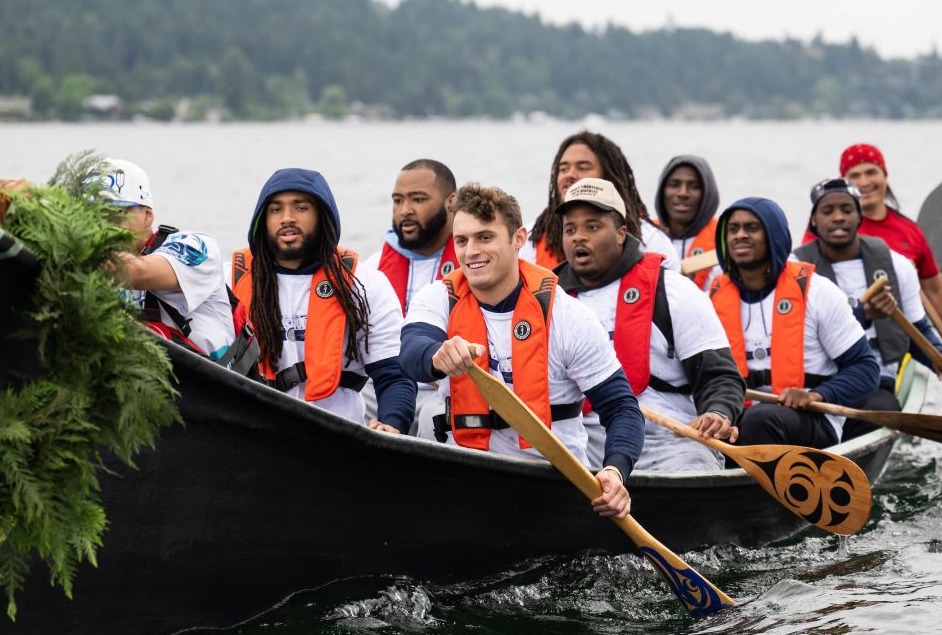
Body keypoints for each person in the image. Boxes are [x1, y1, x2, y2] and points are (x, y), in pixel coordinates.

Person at [400, 182, 644, 519]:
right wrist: (435, 356)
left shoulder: (569, 317)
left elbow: (621, 409)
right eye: (462, 240)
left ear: (518, 239)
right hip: (467, 473)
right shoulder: (439, 298)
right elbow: (412, 353)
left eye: (485, 237)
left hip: (549, 483)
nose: (471, 252)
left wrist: (615, 472)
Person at [554, 178, 745, 470]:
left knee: (695, 465)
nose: (579, 237)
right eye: (571, 229)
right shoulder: (548, 300)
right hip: (583, 438)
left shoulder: (671, 290)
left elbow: (720, 376)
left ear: (620, 234)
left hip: (668, 440)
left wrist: (718, 412)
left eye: (592, 227)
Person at [227, 167, 415, 433]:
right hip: (254, 434)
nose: (287, 218)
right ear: (262, 219)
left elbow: (394, 375)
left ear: (322, 216)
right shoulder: (229, 281)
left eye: (301, 208)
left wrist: (392, 424)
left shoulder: (364, 284)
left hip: (335, 438)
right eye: (276, 209)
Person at [793, 178, 942, 440]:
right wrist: (864, 315)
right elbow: (792, 335)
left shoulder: (897, 265)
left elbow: (917, 330)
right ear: (813, 221)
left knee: (881, 409)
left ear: (860, 217)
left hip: (873, 384)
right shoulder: (795, 269)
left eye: (847, 210)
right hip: (815, 383)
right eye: (827, 211)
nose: (838, 218)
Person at [706, 197, 879, 448]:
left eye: (751, 228)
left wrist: (815, 395)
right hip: (738, 417)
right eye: (733, 229)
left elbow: (865, 369)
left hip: (813, 419)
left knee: (758, 421)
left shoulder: (817, 292)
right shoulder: (711, 299)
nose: (740, 235)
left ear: (773, 235)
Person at [801, 143, 942, 386]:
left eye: (871, 172)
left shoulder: (910, 232)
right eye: (855, 175)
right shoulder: (830, 232)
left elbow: (935, 291)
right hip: (832, 344)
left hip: (894, 337)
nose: (864, 181)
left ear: (885, 176)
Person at [87, 158, 236, 360]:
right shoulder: (94, 269)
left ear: (147, 215)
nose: (102, 226)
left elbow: (137, 272)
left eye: (113, 214)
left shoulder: (196, 246)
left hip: (219, 386)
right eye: (91, 216)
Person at [361, 159, 458, 436]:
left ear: (451, 202)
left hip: (442, 390)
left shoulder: (472, 263)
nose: (405, 210)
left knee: (434, 416)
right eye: (398, 200)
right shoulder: (373, 269)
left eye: (418, 199)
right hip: (386, 383)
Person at [522, 131, 679, 269]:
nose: (570, 174)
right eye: (563, 169)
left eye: (583, 167)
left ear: (609, 177)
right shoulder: (530, 238)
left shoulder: (649, 239)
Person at [651, 155, 721, 289]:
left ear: (708, 193)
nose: (683, 193)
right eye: (674, 184)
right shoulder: (645, 237)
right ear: (662, 191)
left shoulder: (726, 239)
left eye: (694, 186)